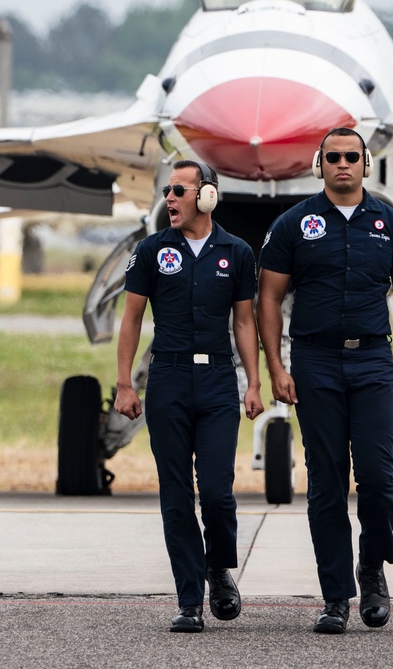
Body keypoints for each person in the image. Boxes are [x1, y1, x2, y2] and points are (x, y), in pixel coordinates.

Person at [256, 127, 393, 634]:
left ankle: (372, 569)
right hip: (316, 364)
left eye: (352, 156)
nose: (343, 164)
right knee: (326, 483)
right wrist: (276, 368)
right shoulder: (294, 224)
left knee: (378, 477)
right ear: (319, 165)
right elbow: (268, 299)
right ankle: (335, 598)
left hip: (373, 362)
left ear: (366, 164)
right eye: (333, 157)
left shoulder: (390, 223)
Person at [114, 159, 265, 633]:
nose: (170, 199)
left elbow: (245, 321)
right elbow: (132, 319)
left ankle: (218, 569)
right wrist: (124, 383)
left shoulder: (236, 252)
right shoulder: (152, 251)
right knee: (176, 494)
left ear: (207, 196)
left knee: (217, 492)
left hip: (219, 381)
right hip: (169, 381)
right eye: (168, 190)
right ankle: (188, 600)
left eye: (180, 190)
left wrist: (254, 383)